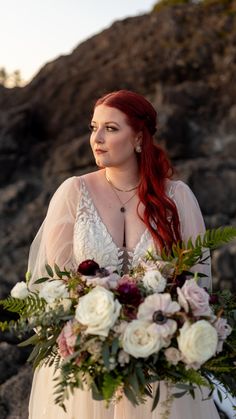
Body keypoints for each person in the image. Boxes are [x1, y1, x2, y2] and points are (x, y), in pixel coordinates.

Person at [27, 90, 220, 418]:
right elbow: (49, 287)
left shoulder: (176, 197)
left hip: (159, 372)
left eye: (111, 129)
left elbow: (196, 289)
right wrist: (81, 334)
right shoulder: (73, 193)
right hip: (86, 372)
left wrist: (167, 334)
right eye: (93, 127)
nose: (96, 138)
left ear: (139, 139)